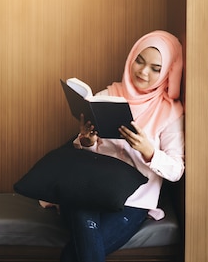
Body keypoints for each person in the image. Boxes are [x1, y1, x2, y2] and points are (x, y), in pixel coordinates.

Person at [60, 30, 185, 262]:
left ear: (167, 71)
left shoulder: (170, 113)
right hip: (90, 191)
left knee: (76, 254)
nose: (143, 71)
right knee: (79, 210)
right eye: (139, 60)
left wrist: (149, 152)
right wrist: (87, 142)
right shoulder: (107, 96)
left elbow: (176, 170)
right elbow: (84, 155)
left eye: (155, 68)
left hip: (133, 201)